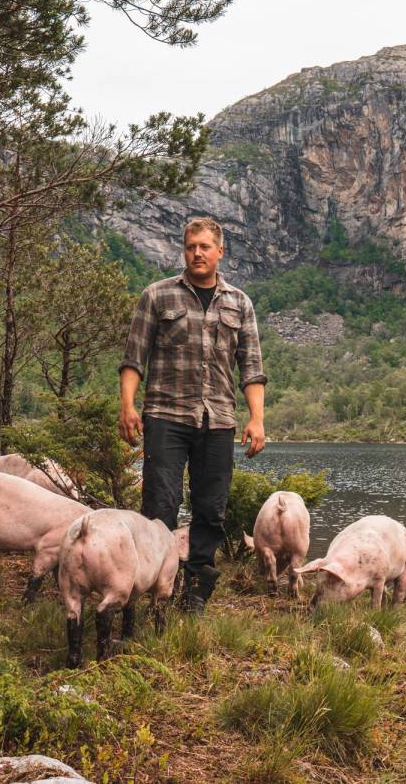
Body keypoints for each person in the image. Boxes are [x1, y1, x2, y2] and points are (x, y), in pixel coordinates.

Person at [117, 216, 267, 613]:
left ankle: (196, 592)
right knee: (160, 503)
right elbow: (134, 358)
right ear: (183, 250)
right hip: (165, 414)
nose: (197, 253)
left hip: (217, 420)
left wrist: (256, 419)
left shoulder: (240, 303)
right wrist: (128, 406)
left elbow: (251, 368)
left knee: (211, 508)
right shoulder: (157, 296)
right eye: (190, 246)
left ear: (220, 251)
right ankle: (155, 588)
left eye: (204, 246)